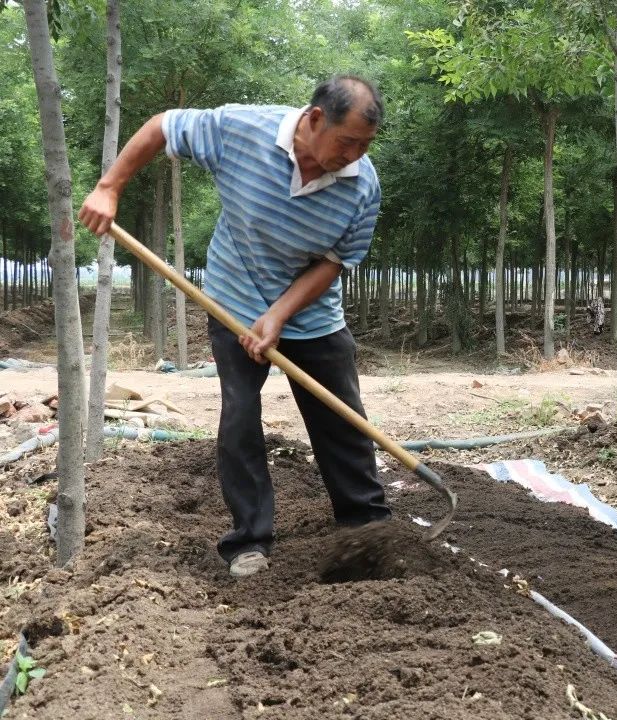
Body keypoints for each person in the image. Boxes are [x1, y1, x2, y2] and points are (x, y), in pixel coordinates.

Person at [78, 75, 390, 578]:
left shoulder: (363, 185)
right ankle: (249, 540)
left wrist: (279, 315)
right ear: (314, 120)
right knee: (240, 418)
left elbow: (335, 260)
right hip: (233, 300)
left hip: (311, 314)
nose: (354, 154)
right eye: (347, 140)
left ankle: (367, 528)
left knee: (343, 420)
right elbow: (163, 126)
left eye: (365, 145)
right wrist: (109, 187)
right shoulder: (241, 129)